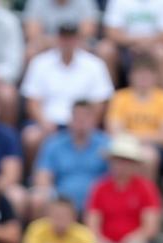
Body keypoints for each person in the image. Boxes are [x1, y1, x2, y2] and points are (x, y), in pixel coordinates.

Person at [20, 24, 114, 164]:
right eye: (64, 38)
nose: (67, 42)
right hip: (49, 123)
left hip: (84, 123)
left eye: (71, 38)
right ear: (57, 39)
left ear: (78, 40)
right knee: (31, 137)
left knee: (109, 144)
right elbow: (32, 102)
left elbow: (100, 104)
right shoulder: (39, 63)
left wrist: (85, 124)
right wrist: (43, 122)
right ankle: (35, 178)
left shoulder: (95, 65)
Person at [85, 134, 163, 243]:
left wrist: (133, 239)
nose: (120, 165)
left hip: (135, 242)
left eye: (125, 161)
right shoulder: (100, 187)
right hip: (106, 242)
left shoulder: (146, 188)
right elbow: (92, 224)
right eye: (117, 160)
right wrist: (101, 240)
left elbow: (150, 227)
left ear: (134, 164)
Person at [30, 100, 109, 219]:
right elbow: (42, 177)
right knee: (38, 198)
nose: (81, 122)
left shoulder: (107, 144)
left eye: (86, 117)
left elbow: (115, 176)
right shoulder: (54, 143)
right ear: (69, 120)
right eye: (77, 117)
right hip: (61, 200)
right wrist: (51, 195)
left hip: (97, 201)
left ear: (94, 120)